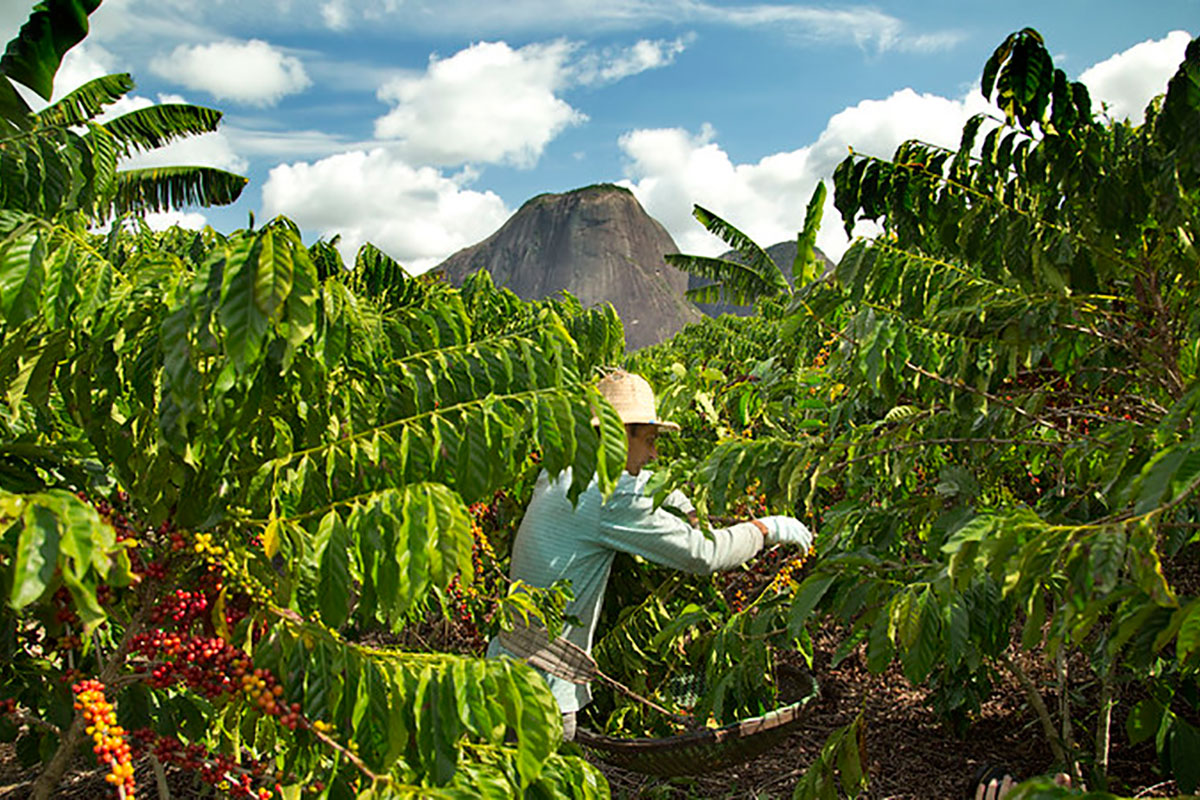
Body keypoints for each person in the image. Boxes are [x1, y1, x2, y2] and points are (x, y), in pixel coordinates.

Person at [487, 370, 813, 741]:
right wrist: (767, 529)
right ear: (616, 435)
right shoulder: (609, 497)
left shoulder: (565, 470)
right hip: (539, 696)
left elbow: (639, 481)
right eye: (649, 440)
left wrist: (684, 507)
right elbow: (704, 554)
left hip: (503, 667)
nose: (655, 453)